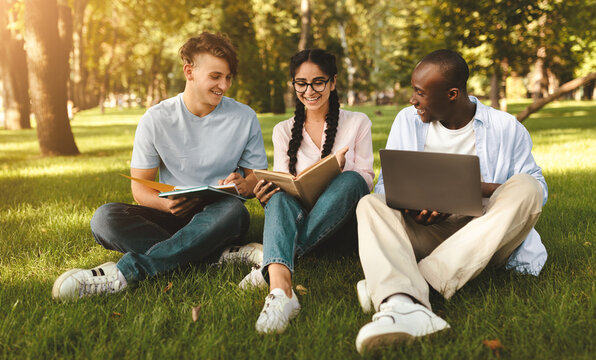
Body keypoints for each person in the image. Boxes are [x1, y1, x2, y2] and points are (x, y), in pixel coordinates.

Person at [353, 50, 548, 352]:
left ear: (452, 94)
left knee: (527, 186)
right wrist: (411, 206)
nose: (412, 100)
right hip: (427, 231)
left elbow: (538, 192)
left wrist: (474, 189)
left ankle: (411, 289)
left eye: (419, 92)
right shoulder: (407, 121)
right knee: (370, 204)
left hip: (484, 234)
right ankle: (404, 306)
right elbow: (384, 186)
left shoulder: (506, 127)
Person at [51, 32, 268, 300]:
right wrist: (167, 205)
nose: (223, 85)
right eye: (215, 76)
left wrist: (243, 184)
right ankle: (216, 255)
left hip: (219, 214)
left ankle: (122, 275)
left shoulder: (244, 117)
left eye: (228, 77)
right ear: (189, 71)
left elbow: (256, 178)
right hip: (171, 216)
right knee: (104, 219)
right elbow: (139, 189)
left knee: (234, 211)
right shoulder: (155, 119)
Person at [243, 49, 374, 334]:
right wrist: (268, 193)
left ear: (333, 82)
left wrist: (334, 172)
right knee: (278, 195)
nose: (309, 90)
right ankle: (280, 292)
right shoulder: (283, 130)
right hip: (301, 217)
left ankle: (273, 262)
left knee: (352, 180)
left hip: (343, 226)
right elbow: (282, 180)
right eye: (301, 83)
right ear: (294, 85)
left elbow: (365, 184)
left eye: (318, 82)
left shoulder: (358, 123)